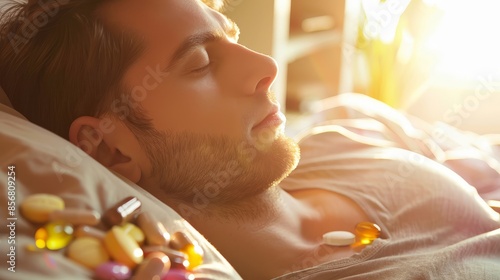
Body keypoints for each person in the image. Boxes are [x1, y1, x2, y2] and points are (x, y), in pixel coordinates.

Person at [1, 0, 499, 279]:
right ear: (111, 147)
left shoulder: (341, 138)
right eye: (199, 64)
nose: (266, 67)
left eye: (232, 37)